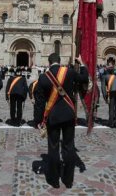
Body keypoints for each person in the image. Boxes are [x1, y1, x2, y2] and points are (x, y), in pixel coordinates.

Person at [34, 53, 88, 189]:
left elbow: (39, 103)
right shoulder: (69, 72)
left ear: (48, 62)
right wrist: (81, 64)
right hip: (69, 116)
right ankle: (68, 180)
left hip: (53, 117)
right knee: (69, 147)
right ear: (59, 61)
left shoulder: (43, 78)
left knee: (53, 148)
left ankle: (54, 180)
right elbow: (84, 78)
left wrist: (38, 120)